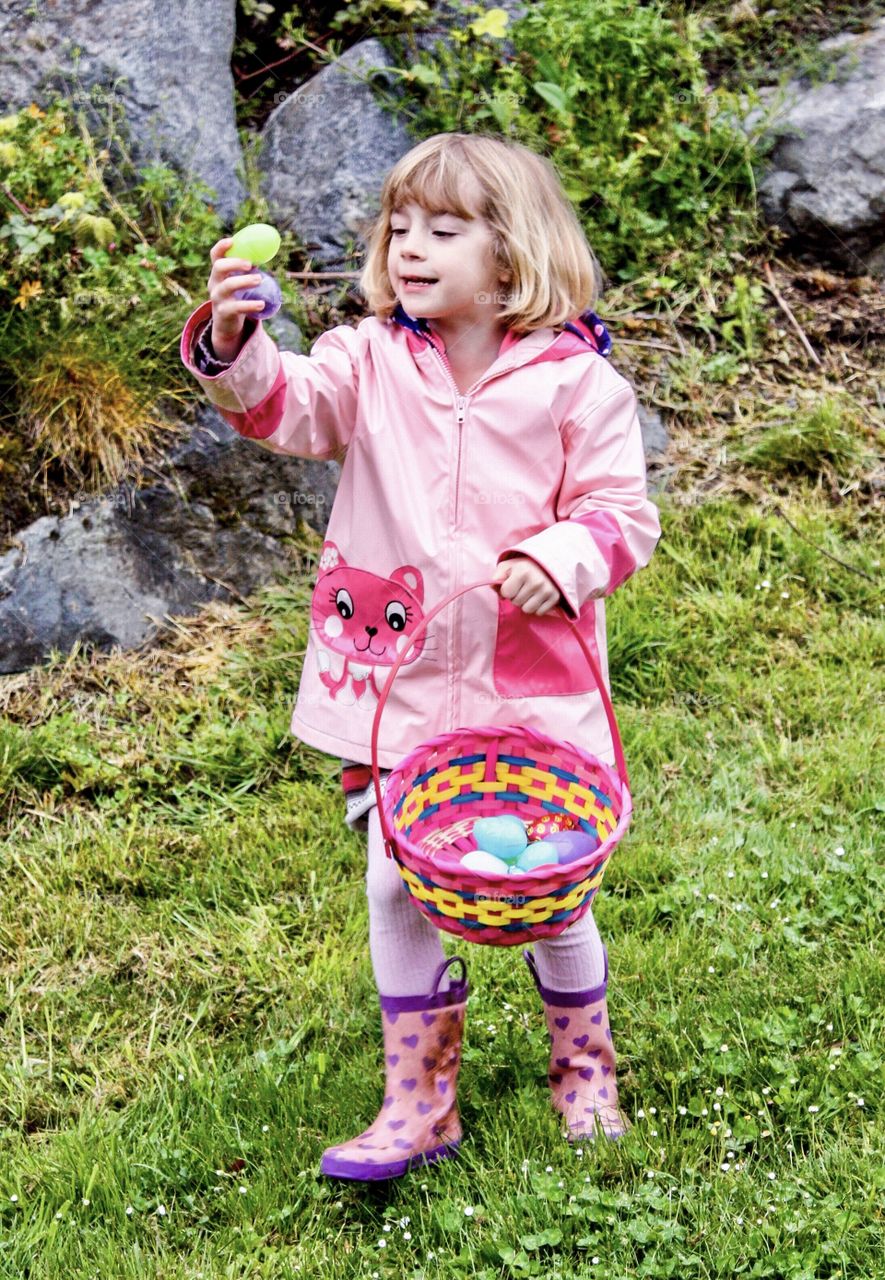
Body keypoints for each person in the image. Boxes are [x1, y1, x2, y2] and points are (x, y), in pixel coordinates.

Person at [180, 131, 661, 1182]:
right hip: (395, 689)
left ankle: (585, 1072)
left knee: (550, 891)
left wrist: (558, 556)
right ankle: (419, 1102)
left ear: (513, 251)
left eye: (443, 230)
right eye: (399, 227)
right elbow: (281, 407)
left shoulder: (578, 388)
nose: (409, 247)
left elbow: (622, 516)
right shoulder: (368, 360)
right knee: (394, 882)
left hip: (526, 693)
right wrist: (231, 339)